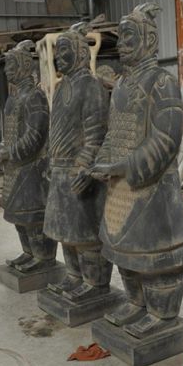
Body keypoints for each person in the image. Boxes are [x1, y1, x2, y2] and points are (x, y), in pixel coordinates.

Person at [89, 3, 183, 338]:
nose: (121, 44)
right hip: (121, 188)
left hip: (153, 190)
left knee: (155, 255)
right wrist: (102, 161)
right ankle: (136, 303)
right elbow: (113, 132)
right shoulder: (121, 84)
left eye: (129, 37)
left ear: (149, 40)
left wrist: (126, 165)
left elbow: (167, 138)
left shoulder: (161, 82)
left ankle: (162, 313)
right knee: (125, 252)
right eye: (121, 37)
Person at [43, 22, 113, 301]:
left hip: (80, 173)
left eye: (64, 51)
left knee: (86, 235)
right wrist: (51, 160)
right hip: (60, 170)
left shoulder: (92, 86)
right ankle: (73, 276)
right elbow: (55, 128)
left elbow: (97, 136)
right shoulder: (61, 88)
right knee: (65, 231)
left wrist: (83, 167)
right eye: (57, 52)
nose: (58, 58)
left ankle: (95, 283)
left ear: (80, 53)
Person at [0, 40, 56, 273]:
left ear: (24, 66)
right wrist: (1, 149)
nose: (6, 71)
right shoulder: (13, 98)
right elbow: (9, 134)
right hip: (14, 167)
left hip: (32, 168)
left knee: (33, 217)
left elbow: (35, 136)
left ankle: (43, 257)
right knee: (18, 216)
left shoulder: (34, 97)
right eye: (6, 66)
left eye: (10, 65)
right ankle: (28, 252)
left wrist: (10, 153)